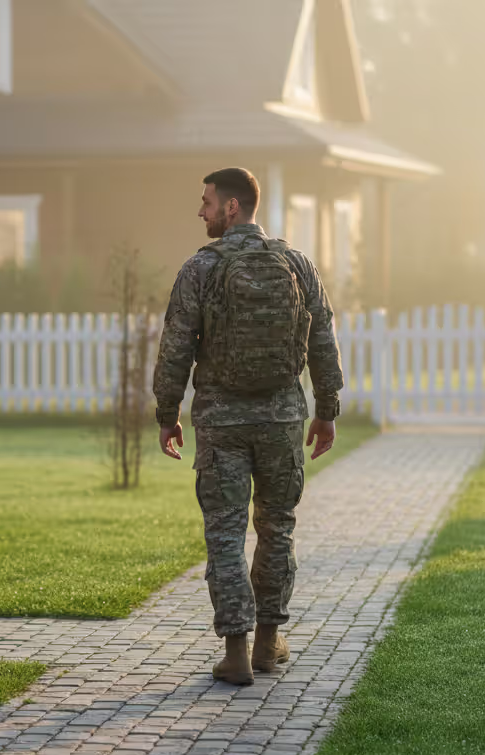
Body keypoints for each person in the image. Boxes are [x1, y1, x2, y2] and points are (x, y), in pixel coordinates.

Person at [152, 167, 345, 686]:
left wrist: (167, 412)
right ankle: (268, 643)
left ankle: (234, 652)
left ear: (231, 207)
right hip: (283, 419)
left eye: (207, 202)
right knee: (276, 527)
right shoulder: (298, 264)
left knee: (225, 532)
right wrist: (326, 409)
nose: (201, 211)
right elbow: (323, 341)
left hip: (221, 421)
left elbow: (175, 346)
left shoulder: (201, 268)